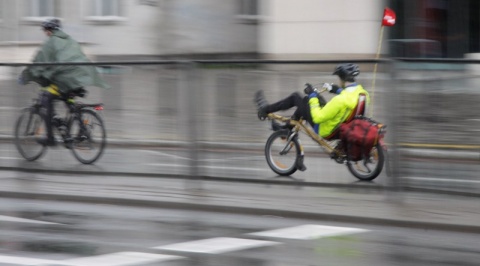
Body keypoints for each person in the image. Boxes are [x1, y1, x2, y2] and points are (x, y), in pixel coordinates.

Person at [18, 18, 110, 146]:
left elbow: (39, 62)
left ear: (48, 31)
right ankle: (68, 129)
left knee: (46, 98)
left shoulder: (51, 42)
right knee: (68, 99)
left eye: (45, 31)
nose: (45, 34)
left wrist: (26, 75)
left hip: (64, 81)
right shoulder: (70, 40)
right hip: (77, 81)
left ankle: (50, 138)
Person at [255, 62, 370, 140]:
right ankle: (287, 129)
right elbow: (348, 96)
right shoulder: (363, 94)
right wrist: (336, 90)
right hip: (340, 125)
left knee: (297, 97)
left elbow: (317, 117)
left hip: (326, 129)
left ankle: (265, 109)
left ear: (342, 78)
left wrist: (313, 95)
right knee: (305, 102)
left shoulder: (340, 100)